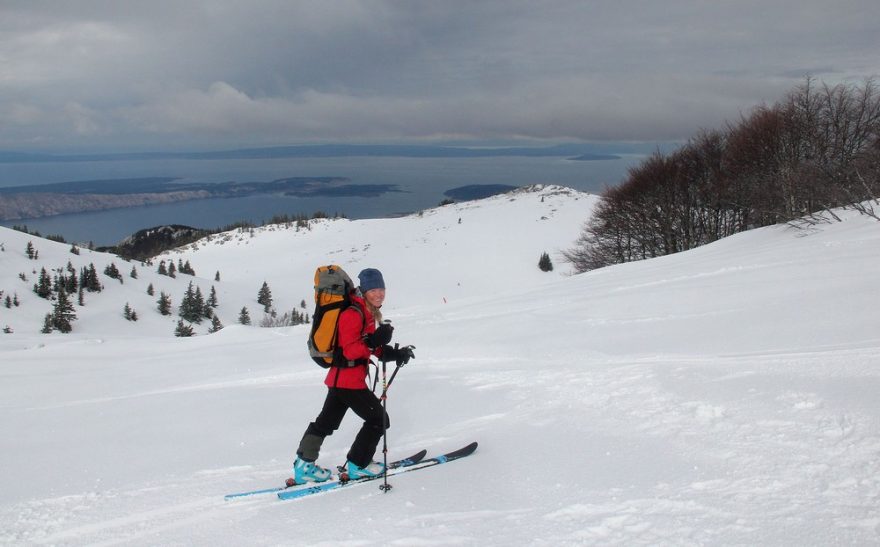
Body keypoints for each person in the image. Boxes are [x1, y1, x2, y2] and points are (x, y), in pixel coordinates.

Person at [292, 268, 415, 483]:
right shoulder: (352, 313)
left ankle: (304, 466)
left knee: (325, 424)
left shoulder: (366, 312)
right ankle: (359, 464)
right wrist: (375, 340)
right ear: (364, 291)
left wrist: (396, 353)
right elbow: (350, 350)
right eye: (373, 289)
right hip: (349, 381)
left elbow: (371, 349)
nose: (379, 294)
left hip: (340, 380)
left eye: (381, 289)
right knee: (378, 420)